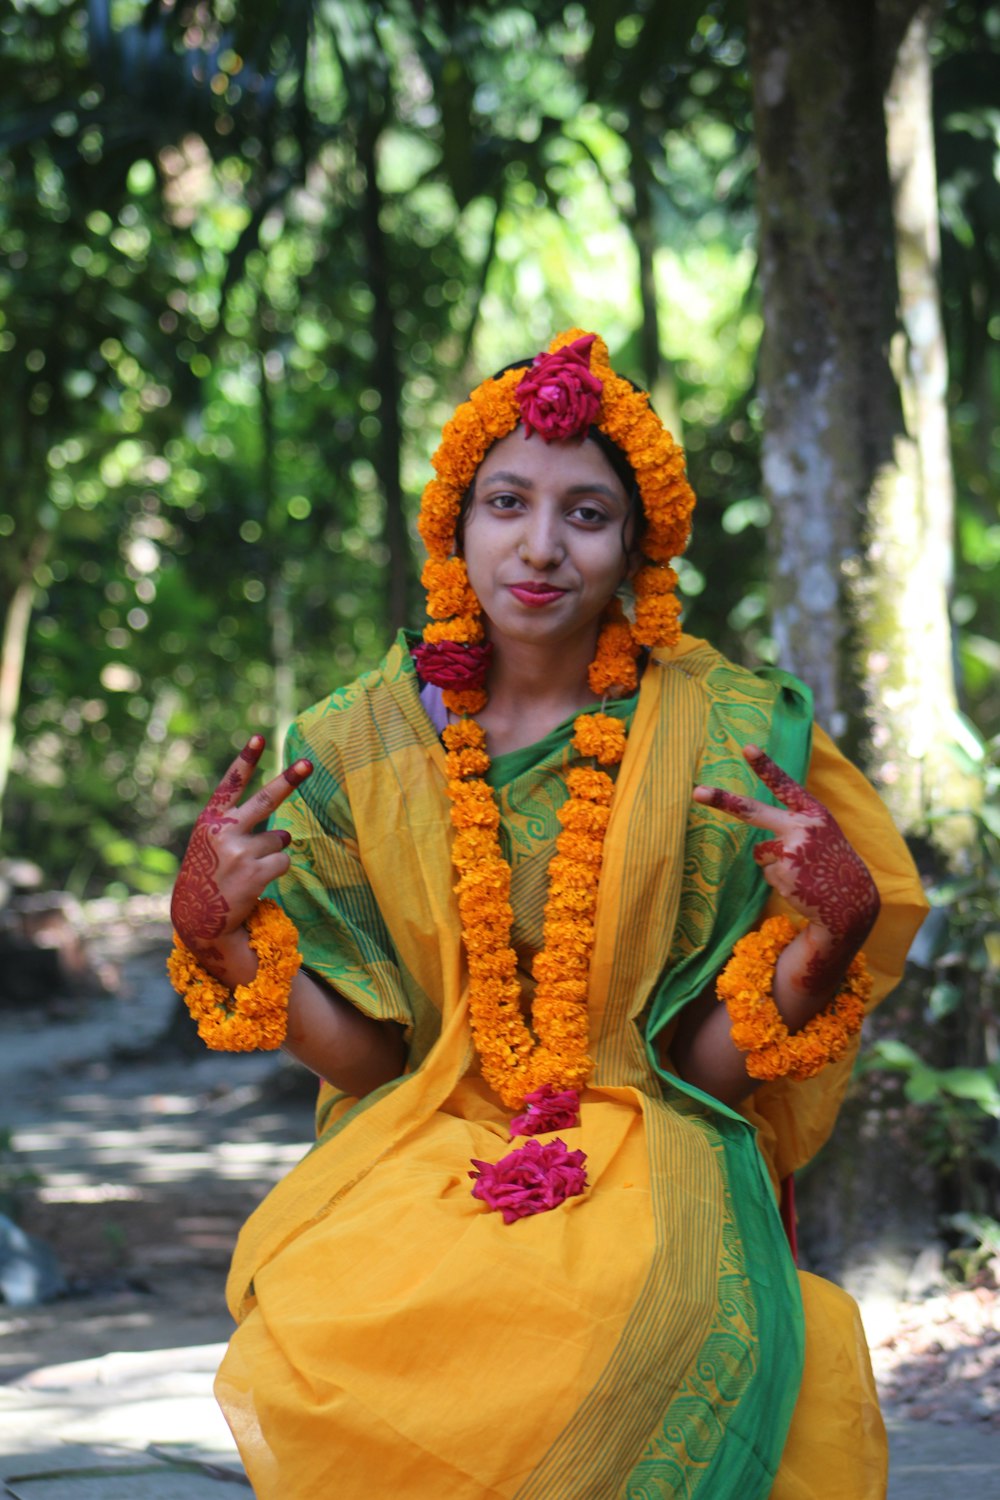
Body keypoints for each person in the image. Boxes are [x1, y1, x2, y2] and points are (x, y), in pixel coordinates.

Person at [168, 329, 928, 1499]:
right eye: (507, 503)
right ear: (452, 528)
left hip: (654, 1122)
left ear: (635, 546)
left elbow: (704, 1071)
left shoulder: (727, 735)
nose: (539, 546)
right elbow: (376, 1063)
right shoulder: (352, 745)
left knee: (626, 1305)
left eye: (584, 514)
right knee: (329, 1320)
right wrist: (221, 938)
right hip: (421, 1128)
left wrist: (824, 944)